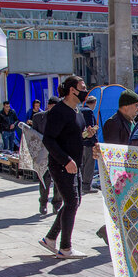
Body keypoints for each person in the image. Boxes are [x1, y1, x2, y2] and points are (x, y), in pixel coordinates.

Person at [40, 77, 89, 259]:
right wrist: (65, 160)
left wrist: (86, 134)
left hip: (75, 164)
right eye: (82, 87)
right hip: (62, 166)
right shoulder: (59, 111)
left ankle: (51, 238)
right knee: (71, 202)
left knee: (73, 202)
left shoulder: (77, 112)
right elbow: (49, 139)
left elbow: (73, 135)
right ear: (72, 90)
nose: (85, 91)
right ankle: (65, 247)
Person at [95, 90, 138, 243]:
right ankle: (107, 230)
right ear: (126, 106)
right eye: (136, 105)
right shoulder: (113, 123)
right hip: (121, 172)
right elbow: (113, 151)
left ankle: (108, 230)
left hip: (132, 170)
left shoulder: (134, 121)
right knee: (124, 205)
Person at [33, 97, 61, 215]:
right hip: (43, 154)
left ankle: (57, 204)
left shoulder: (62, 118)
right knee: (45, 180)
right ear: (48, 106)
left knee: (58, 181)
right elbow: (33, 135)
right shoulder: (38, 117)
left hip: (58, 154)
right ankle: (43, 203)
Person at [80, 95, 99, 195]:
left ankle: (80, 185)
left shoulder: (79, 110)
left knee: (82, 164)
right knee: (89, 165)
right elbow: (90, 128)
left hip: (80, 142)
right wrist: (95, 142)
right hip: (88, 143)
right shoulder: (89, 112)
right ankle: (86, 186)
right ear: (94, 103)